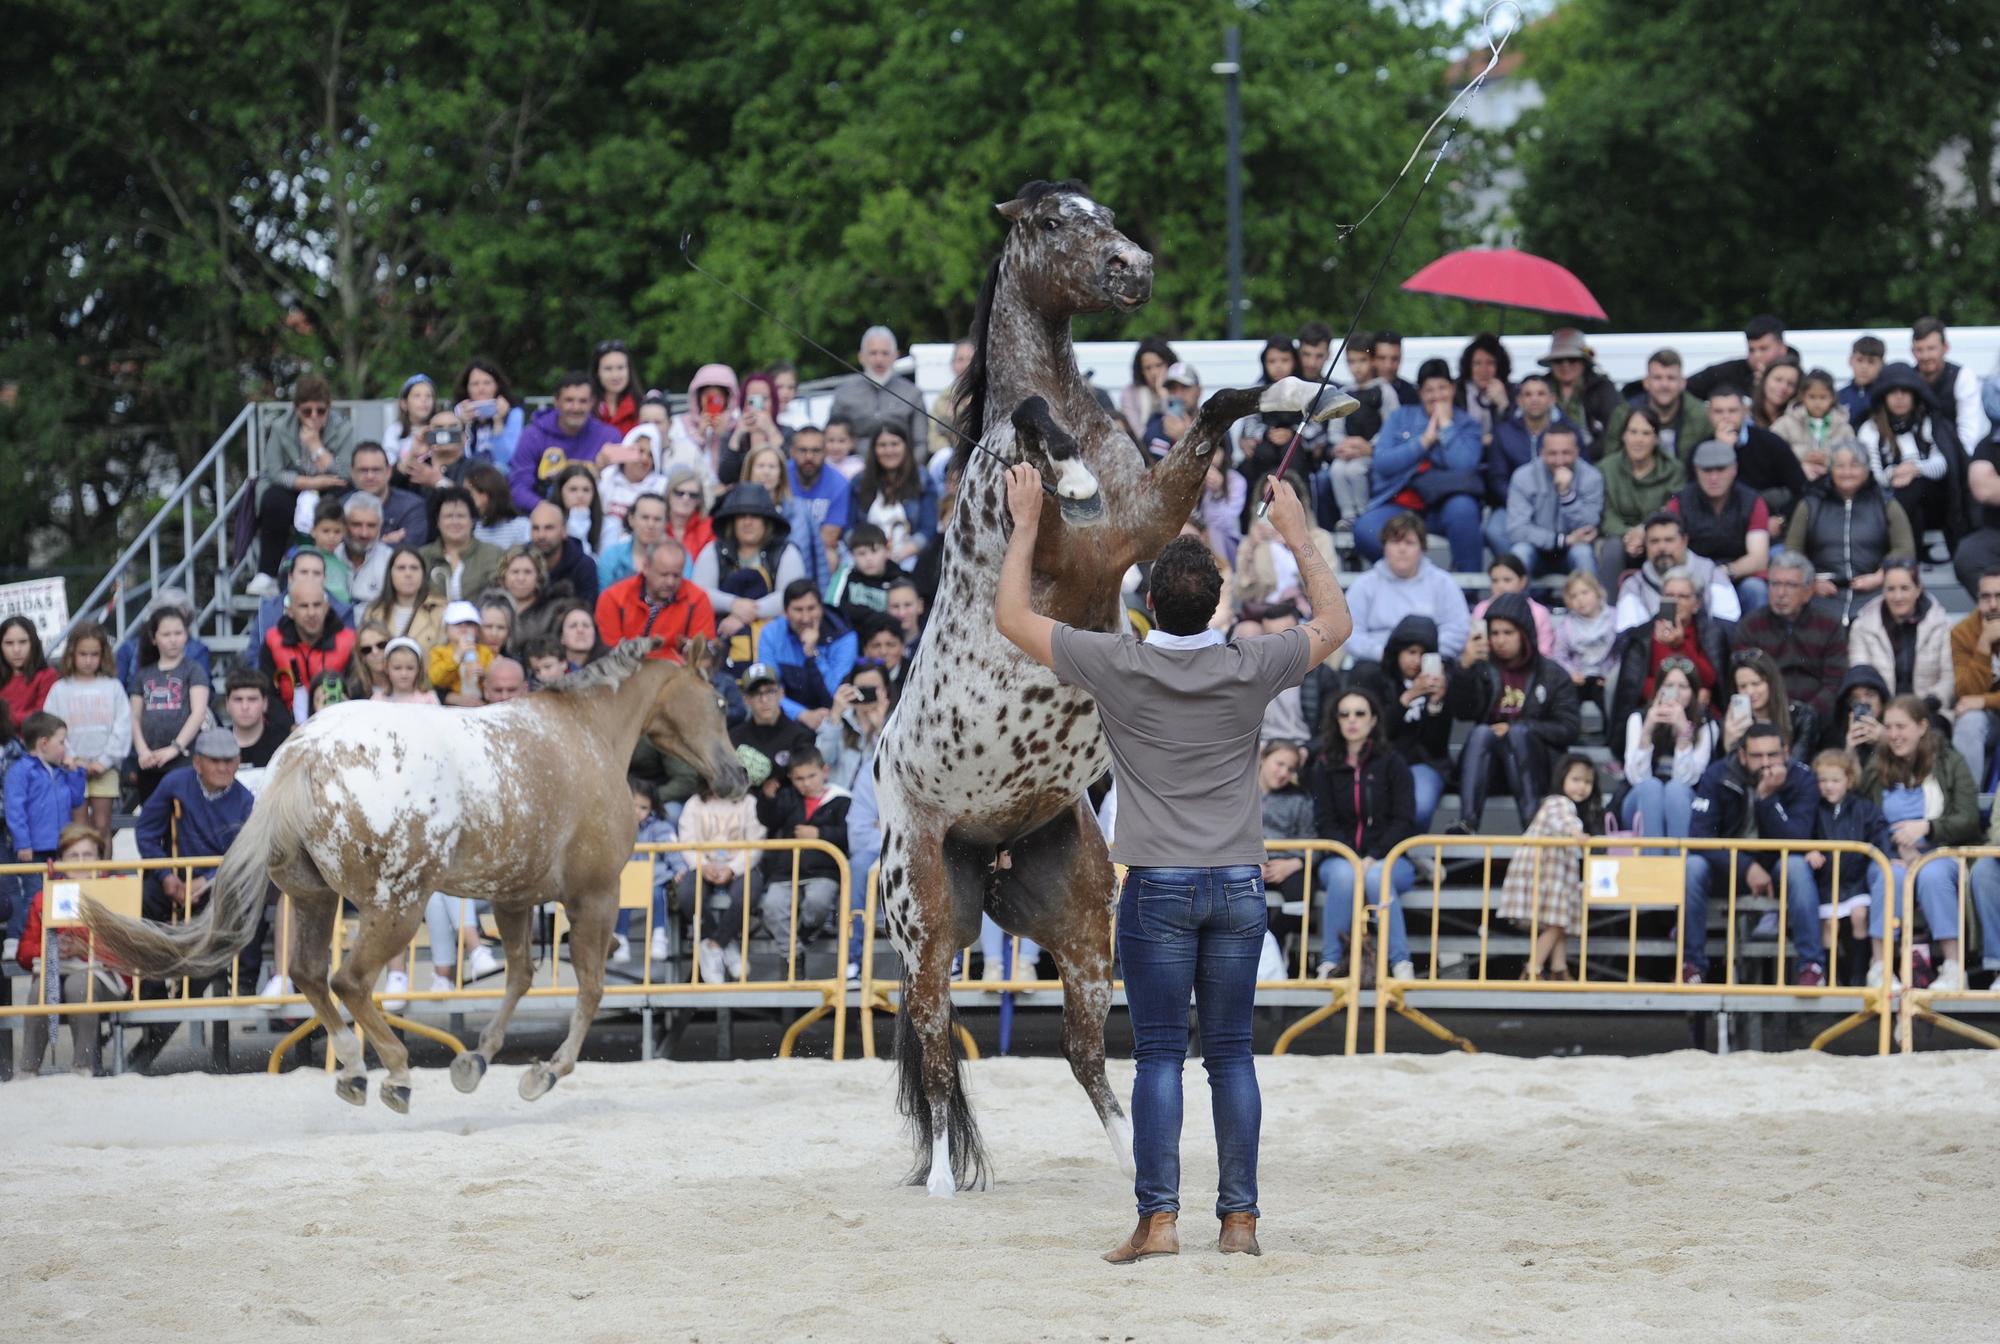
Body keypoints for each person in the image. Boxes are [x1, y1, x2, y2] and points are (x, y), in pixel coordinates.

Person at [994, 465, 1349, 1263]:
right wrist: (1295, 534)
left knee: (1159, 1054)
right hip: (1237, 884)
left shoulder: (1119, 661)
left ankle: (1159, 1222)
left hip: (1156, 884)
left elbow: (1011, 614)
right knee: (1230, 1056)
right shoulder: (1252, 664)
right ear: (1215, 602)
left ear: (1148, 603)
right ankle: (1240, 1222)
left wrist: (1025, 521)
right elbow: (1335, 621)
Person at [126, 726, 259, 1072]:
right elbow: (146, 831)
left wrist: (211, 881)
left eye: (230, 761)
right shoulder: (175, 783)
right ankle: (150, 986)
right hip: (174, 882)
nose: (224, 768)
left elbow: (244, 856)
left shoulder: (245, 800)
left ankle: (236, 982)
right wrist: (166, 875)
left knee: (220, 938)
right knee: (149, 891)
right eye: (215, 761)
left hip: (219, 889)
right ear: (197, 763)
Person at [1682, 723, 1824, 986]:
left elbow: (1798, 840)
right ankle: (1691, 964)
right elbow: (1699, 837)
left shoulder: (1801, 778)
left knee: (1796, 866)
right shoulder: (1717, 774)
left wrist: (1767, 798)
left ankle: (1812, 966)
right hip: (1728, 867)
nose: (1766, 763)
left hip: (1776, 866)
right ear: (1743, 756)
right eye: (1757, 756)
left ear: (1786, 752)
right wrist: (1745, 867)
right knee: (1693, 867)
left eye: (1773, 755)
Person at [1860, 695, 1978, 993]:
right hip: (1893, 855)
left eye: (1902, 726)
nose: (1894, 735)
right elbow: (1862, 817)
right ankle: (1881, 966)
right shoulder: (1876, 765)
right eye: (1888, 727)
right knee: (1891, 876)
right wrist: (1893, 847)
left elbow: (1968, 818)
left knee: (1932, 875)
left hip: (1942, 851)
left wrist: (1927, 828)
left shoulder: (1951, 762)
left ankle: (1953, 967)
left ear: (1922, 726)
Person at [1308, 687, 1418, 982]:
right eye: (1344, 714)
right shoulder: (1324, 765)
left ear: (1373, 721)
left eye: (1360, 713)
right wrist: (1352, 856)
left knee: (1374, 875)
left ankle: (1400, 963)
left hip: (1391, 859)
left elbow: (1404, 819)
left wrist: (1373, 855)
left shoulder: (1393, 762)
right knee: (1346, 874)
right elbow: (1325, 821)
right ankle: (1329, 963)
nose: (1352, 720)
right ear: (1336, 721)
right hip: (1340, 859)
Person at [1448, 591, 1581, 833]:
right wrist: (1464, 668)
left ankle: (1532, 823)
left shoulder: (1552, 674)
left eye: (1507, 633)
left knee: (1518, 734)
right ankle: (1468, 822)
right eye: (1495, 633)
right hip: (1489, 769)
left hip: (1536, 766)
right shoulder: (1482, 667)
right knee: (1480, 733)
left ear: (1524, 633)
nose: (1500, 640)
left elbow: (1569, 728)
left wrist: (1519, 728)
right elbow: (1462, 712)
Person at [1354, 358, 1485, 573]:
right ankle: (1422, 578)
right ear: (1420, 393)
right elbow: (1382, 462)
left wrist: (1447, 427)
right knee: (1365, 530)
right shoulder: (1401, 417)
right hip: (1401, 502)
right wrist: (1424, 441)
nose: (1436, 396)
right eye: (1429, 390)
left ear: (1452, 389)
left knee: (1464, 511)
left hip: (1445, 505)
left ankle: (1467, 593)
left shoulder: (1468, 424)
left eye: (1442, 388)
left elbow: (1465, 466)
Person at [16, 822, 125, 1076]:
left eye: (87, 854)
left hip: (105, 976)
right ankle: (28, 1069)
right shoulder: (45, 897)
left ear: (100, 857)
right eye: (73, 856)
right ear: (61, 860)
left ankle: (83, 1067)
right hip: (58, 971)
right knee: (41, 988)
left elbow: (125, 950)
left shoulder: (116, 890)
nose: (80, 862)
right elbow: (24, 953)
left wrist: (84, 947)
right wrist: (50, 948)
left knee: (79, 984)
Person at [1498, 753, 1604, 981]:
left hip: (1553, 874)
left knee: (1558, 921)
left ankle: (1558, 968)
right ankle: (1533, 968)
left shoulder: (1566, 806)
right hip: (1542, 872)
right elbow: (1563, 821)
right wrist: (1576, 832)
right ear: (1562, 778)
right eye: (1576, 779)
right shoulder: (1558, 802)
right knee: (1556, 923)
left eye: (1587, 782)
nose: (1582, 787)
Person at [1782, 441, 1912, 626]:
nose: (1847, 472)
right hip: (1820, 593)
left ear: (1867, 469)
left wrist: (1880, 576)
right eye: (1840, 466)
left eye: (1854, 465)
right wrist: (1810, 582)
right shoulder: (1810, 504)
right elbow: (1793, 551)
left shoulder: (1885, 503)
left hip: (1873, 592)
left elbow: (1904, 548)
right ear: (1830, 469)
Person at [1608, 566, 1728, 759]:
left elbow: (1711, 679)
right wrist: (1683, 694)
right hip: (1653, 712)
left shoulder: (1711, 634)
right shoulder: (1642, 636)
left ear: (1696, 603)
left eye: (1682, 596)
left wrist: (1681, 645)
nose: (1675, 601)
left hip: (1699, 716)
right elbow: (1634, 686)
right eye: (1669, 595)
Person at [250, 376, 355, 593]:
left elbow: (346, 473)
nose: (314, 417)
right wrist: (311, 482)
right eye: (307, 411)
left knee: (344, 499)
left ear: (329, 409)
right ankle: (267, 572)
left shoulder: (343, 429)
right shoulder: (281, 427)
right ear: (296, 409)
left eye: (320, 411)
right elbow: (275, 472)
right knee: (273, 501)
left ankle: (338, 567)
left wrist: (316, 447)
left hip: (330, 486)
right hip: (294, 485)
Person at [1856, 361, 1966, 559]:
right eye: (1893, 392)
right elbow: (1872, 473)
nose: (1900, 398)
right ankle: (1909, 560)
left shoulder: (1928, 422)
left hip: (1933, 500)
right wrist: (1893, 474)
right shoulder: (1870, 429)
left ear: (1914, 395)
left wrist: (1915, 469)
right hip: (1887, 501)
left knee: (1913, 487)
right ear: (1884, 396)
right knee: (1910, 502)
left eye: (1905, 392)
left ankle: (1904, 560)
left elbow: (1944, 464)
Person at [755, 745, 853, 963]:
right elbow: (768, 820)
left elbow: (850, 835)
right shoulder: (787, 798)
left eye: (812, 776)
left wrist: (820, 833)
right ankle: (794, 955)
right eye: (799, 778)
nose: (807, 783)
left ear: (824, 771)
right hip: (785, 872)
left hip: (824, 871)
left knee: (818, 902)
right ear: (790, 777)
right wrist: (768, 799)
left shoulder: (842, 800)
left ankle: (802, 937)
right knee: (771, 906)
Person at [682, 744, 769, 984]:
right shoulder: (694, 804)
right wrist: (702, 865)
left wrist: (733, 868)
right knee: (688, 894)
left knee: (746, 894)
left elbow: (756, 842)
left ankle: (713, 944)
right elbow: (687, 841)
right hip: (704, 864)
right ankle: (723, 943)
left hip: (740, 864)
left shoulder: (749, 803)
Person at [695, 483, 807, 668]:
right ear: (732, 521)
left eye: (754, 516)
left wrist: (745, 613)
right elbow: (699, 592)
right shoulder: (714, 550)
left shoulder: (786, 552)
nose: (748, 522)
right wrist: (732, 604)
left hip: (775, 641)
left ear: (766, 521)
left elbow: (793, 595)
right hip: (721, 639)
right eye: (741, 516)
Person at [1356, 616, 1450, 832]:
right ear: (1397, 651)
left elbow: (1438, 746)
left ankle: (1408, 855)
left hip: (1423, 764)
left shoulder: (1442, 684)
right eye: (1411, 652)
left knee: (1420, 807)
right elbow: (1375, 732)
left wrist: (1436, 705)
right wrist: (1408, 697)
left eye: (1423, 654)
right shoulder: (1375, 679)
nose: (1416, 661)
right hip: (1380, 761)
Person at [1339, 512, 1469, 666]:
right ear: (1384, 547)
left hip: (1430, 663)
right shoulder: (1364, 585)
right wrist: (1388, 655)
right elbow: (1350, 634)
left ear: (1422, 548)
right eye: (1395, 542)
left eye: (1409, 543)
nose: (1402, 549)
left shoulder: (1443, 583)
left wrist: (1422, 655)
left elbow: (1458, 630)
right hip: (1378, 664)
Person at [1808, 749, 1891, 985]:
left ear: (1849, 780)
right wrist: (1809, 850)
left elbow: (1879, 831)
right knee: (1829, 925)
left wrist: (1888, 854)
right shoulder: (1814, 809)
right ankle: (1834, 976)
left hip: (1855, 880)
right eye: (1823, 780)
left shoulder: (1862, 808)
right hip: (1826, 881)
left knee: (1859, 915)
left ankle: (1858, 974)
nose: (1828, 786)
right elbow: (1806, 834)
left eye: (1835, 780)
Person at [1733, 552, 1848, 722]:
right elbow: (1743, 678)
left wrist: (1808, 713)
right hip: (1766, 716)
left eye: (1791, 585)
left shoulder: (1829, 625)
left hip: (1818, 718)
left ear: (1808, 591)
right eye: (1775, 584)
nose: (1781, 593)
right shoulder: (1751, 625)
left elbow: (1834, 683)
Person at [41, 622, 128, 837]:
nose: (88, 660)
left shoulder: (113, 687)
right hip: (70, 768)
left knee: (102, 825)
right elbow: (51, 726)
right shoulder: (60, 689)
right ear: (72, 653)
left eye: (94, 654)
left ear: (103, 655)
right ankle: (78, 871)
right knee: (78, 827)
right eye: (83, 654)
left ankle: (104, 872)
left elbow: (123, 727)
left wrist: (104, 761)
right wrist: (69, 758)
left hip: (104, 769)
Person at [1668, 440, 1771, 612]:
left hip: (1738, 575)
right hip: (1692, 576)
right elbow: (1672, 550)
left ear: (1734, 469)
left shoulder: (1752, 501)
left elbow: (1759, 559)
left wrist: (1726, 572)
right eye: (1707, 470)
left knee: (1756, 589)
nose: (1714, 478)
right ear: (1696, 470)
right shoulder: (1680, 502)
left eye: (1721, 469)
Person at [1619, 661, 1716, 840]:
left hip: (1684, 802)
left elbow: (1687, 780)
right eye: (1669, 686)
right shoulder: (1638, 719)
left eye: (1683, 686)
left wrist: (1683, 733)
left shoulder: (1705, 724)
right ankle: (1654, 864)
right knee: (1651, 787)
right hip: (1639, 802)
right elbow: (1636, 779)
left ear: (1694, 692)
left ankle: (1679, 864)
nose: (1676, 693)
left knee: (1676, 790)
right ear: (1658, 690)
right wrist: (1647, 731)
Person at [1494, 422, 1602, 578]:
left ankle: (1591, 603)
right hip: (1536, 550)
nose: (1559, 460)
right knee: (1520, 552)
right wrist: (1562, 540)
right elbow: (1517, 530)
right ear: (1542, 453)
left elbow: (1589, 526)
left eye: (1566, 453)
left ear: (1577, 452)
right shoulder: (1523, 477)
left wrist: (1567, 495)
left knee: (1583, 553)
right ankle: (1514, 603)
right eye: (1552, 453)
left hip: (1573, 551)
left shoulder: (1591, 477)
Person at [128, 604, 212, 806]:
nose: (173, 639)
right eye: (166, 634)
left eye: (178, 633)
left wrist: (174, 749)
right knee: (153, 820)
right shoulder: (143, 674)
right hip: (149, 763)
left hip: (184, 762)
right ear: (154, 638)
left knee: (184, 822)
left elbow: (199, 713)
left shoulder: (194, 669)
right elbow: (133, 716)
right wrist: (143, 752)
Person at [1595, 405, 1687, 588]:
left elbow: (1671, 510)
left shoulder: (1674, 470)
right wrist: (1628, 535)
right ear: (1624, 436)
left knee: (1666, 545)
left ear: (1656, 438)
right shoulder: (1606, 468)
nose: (1638, 439)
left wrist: (1645, 532)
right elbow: (1607, 512)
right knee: (1612, 549)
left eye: (1646, 433)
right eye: (1633, 432)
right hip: (1619, 536)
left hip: (1657, 533)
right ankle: (1610, 611)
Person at [1847, 557, 1952, 716]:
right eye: (1891, 589)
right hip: (1880, 712)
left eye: (1904, 588)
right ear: (1883, 591)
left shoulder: (1941, 624)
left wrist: (1925, 706)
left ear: (1918, 589)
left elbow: (1949, 677)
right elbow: (1861, 677)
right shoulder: (1862, 626)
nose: (1898, 597)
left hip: (1929, 711)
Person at [508, 370, 621, 513]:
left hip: (596, 516)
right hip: (544, 515)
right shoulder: (533, 435)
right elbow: (519, 487)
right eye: (569, 400)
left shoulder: (609, 437)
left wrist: (604, 471)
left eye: (583, 401)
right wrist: (547, 511)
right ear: (556, 402)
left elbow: (622, 485)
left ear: (592, 403)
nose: (576, 407)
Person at [595, 537, 718, 662]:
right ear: (646, 567)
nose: (670, 582)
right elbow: (609, 654)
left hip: (678, 675)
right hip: (625, 672)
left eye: (676, 575)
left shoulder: (697, 599)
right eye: (663, 574)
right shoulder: (613, 598)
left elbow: (703, 658)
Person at [756, 579, 857, 730]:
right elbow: (766, 690)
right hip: (785, 718)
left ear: (821, 608)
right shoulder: (771, 633)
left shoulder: (844, 638)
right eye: (798, 609)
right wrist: (802, 714)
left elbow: (834, 693)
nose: (805, 618)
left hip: (833, 718)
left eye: (811, 608)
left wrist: (813, 653)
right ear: (785, 612)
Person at [1614, 512, 1741, 630]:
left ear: (1684, 541)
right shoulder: (1634, 586)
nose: (1662, 547)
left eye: (1669, 540)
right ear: (1646, 544)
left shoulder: (1711, 573)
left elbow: (1728, 626)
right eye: (1654, 541)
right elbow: (1627, 636)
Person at [257, 574, 354, 723]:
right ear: (290, 610)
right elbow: (268, 695)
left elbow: (357, 691)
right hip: (287, 730)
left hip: (339, 724)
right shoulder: (272, 641)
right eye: (303, 606)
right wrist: (291, 729)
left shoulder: (349, 641)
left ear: (327, 607)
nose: (311, 613)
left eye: (317, 605)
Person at [1704, 387, 1808, 525]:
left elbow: (1801, 488)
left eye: (1732, 411)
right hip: (1720, 526)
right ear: (1709, 414)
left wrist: (1781, 519)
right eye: (1719, 412)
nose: (1726, 417)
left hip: (1770, 523)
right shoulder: (1701, 449)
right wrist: (1723, 450)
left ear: (1744, 411)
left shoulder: (1770, 442)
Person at [828, 325, 926, 460]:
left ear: (896, 356)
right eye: (873, 353)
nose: (879, 360)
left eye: (885, 353)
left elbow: (920, 443)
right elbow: (831, 439)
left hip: (903, 469)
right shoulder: (843, 394)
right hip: (855, 468)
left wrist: (909, 471)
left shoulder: (913, 394)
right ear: (861, 357)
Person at [850, 424, 939, 571]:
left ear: (906, 446)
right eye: (882, 445)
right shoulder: (859, 482)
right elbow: (850, 528)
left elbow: (928, 530)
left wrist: (895, 556)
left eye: (895, 444)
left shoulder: (922, 479)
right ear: (874, 449)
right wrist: (869, 555)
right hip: (865, 558)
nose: (889, 450)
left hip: (910, 557)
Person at [1606, 348, 1712, 464]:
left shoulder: (1700, 416)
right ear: (1646, 382)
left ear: (1682, 383)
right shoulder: (1624, 414)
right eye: (1657, 378)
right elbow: (1611, 460)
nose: (1664, 385)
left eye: (1671, 378)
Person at [1948, 568, 2000, 785]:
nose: (1993, 604)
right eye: (1986, 597)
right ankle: (1969, 804)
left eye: (1999, 596)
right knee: (1968, 723)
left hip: (1988, 704)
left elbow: (1976, 699)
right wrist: (1984, 644)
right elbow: (1966, 693)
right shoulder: (1962, 632)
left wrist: (1984, 700)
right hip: (1987, 718)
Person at [1537, 328, 1620, 456]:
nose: (1565, 365)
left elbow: (1615, 429)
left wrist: (1585, 455)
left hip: (1594, 461)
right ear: (1551, 364)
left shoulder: (1602, 388)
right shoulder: (1539, 388)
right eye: (1558, 360)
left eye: (1572, 359)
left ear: (1584, 362)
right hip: (1547, 457)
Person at [787, 425, 853, 581]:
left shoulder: (839, 483)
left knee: (830, 557)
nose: (809, 457)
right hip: (784, 543)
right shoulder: (781, 475)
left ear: (825, 452)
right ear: (793, 452)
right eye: (803, 450)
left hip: (820, 546)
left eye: (816, 451)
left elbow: (829, 537)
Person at [419, 485, 505, 604]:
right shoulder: (423, 556)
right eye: (448, 516)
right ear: (438, 522)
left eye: (461, 516)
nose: (455, 522)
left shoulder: (493, 554)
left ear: (472, 520)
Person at [1910, 317, 1984, 451]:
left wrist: (1947, 463)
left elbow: (1969, 434)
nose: (1925, 356)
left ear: (1945, 348)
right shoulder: (1907, 379)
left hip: (1956, 458)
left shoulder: (1963, 377)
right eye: (1919, 350)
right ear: (1912, 351)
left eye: (1931, 348)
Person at [817, 662, 891, 791]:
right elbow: (822, 760)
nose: (866, 695)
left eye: (872, 689)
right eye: (861, 690)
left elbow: (890, 770)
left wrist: (880, 730)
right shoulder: (839, 721)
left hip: (871, 806)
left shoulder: (895, 725)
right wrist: (834, 716)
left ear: (885, 690)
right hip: (837, 802)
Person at [1686, 314, 1794, 403]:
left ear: (1782, 348)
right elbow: (1685, 389)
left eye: (1763, 349)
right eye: (1751, 350)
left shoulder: (1798, 379)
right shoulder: (1729, 373)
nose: (1757, 356)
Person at [1723, 648, 1808, 760]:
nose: (1750, 692)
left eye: (1756, 684)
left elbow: (1797, 764)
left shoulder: (1800, 716)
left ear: (1771, 683)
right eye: (1743, 686)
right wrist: (1730, 745)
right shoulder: (1732, 724)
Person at [361, 545, 448, 654]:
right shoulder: (374, 612)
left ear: (423, 573)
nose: (408, 574)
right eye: (401, 568)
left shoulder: (441, 611)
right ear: (390, 573)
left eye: (414, 568)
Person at [730, 662, 817, 770]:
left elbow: (806, 779)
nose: (764, 700)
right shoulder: (735, 738)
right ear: (746, 699)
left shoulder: (800, 736)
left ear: (781, 693)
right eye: (756, 693)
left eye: (770, 691)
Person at [1550, 570, 1617, 710]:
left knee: (1610, 701)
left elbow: (1622, 652)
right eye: (1573, 596)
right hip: (1578, 678)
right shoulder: (1566, 626)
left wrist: (1612, 676)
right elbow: (1558, 655)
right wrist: (1570, 673)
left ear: (1598, 591)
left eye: (1585, 592)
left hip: (1605, 677)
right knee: (1566, 702)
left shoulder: (1615, 618)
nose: (1580, 599)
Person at [219, 667, 289, 792]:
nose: (245, 707)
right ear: (227, 704)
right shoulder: (214, 745)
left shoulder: (284, 745)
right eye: (238, 699)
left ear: (265, 703)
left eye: (252, 699)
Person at [346, 440, 428, 547]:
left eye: (376, 470)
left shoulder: (412, 507)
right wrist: (382, 544)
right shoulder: (340, 507)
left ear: (389, 471)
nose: (370, 476)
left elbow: (410, 551)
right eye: (363, 470)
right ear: (352, 472)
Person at [1773, 370, 1852, 479]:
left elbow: (1853, 454)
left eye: (1823, 397)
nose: (1817, 402)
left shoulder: (1844, 427)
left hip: (1834, 481)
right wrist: (1804, 456)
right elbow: (1773, 449)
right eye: (1812, 397)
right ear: (1803, 397)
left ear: (1832, 398)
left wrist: (1828, 459)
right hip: (1794, 478)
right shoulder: (1786, 423)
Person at [1470, 555, 1554, 656]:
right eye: (1494, 581)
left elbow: (1544, 652)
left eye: (1507, 580)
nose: (1500, 586)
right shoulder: (1481, 609)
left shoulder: (1539, 612)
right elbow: (1477, 649)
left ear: (1522, 581)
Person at [451, 358, 523, 468]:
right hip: (466, 474)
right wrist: (459, 424)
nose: (481, 388)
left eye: (487, 383)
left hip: (499, 476)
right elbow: (451, 458)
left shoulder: (513, 413)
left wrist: (498, 423)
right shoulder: (458, 413)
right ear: (467, 388)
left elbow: (505, 458)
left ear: (497, 385)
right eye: (475, 384)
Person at [529, 498, 600, 608]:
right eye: (535, 528)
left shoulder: (584, 566)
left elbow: (587, 611)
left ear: (564, 531)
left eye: (549, 528)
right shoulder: (520, 561)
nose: (541, 535)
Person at [597, 490, 668, 591]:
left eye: (657, 519)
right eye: (645, 517)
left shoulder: (679, 559)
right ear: (631, 519)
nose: (651, 525)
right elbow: (603, 598)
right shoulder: (611, 556)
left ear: (666, 523)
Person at [427, 602, 495, 707]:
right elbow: (437, 680)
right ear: (446, 629)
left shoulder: (485, 652)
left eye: (469, 623)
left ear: (477, 629)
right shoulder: (438, 651)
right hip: (450, 708)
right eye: (457, 624)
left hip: (480, 704)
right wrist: (457, 657)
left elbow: (495, 681)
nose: (463, 628)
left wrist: (484, 676)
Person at [0, 615, 58, 730]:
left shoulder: (47, 675)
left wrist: (5, 718)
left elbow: (42, 718)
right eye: (9, 643)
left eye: (23, 642)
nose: (16, 650)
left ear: (33, 643)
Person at [334, 491, 392, 605]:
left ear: (380, 526)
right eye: (356, 524)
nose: (364, 533)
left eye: (371, 526)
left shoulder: (390, 561)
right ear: (344, 525)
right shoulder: (330, 556)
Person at [1120, 337, 1179, 443]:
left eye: (1158, 365)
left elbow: (1179, 426)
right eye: (1148, 368)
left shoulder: (1181, 389)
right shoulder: (1131, 393)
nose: (1154, 373)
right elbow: (1138, 434)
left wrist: (1165, 398)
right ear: (1141, 370)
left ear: (1169, 364)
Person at [466, 462, 531, 549]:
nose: (463, 497)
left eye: (468, 492)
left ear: (485, 494)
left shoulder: (522, 526)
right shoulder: (471, 527)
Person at [590, 339, 641, 436]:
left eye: (620, 368)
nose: (615, 375)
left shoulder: (641, 407)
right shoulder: (586, 407)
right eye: (608, 369)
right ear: (597, 372)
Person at [382, 373, 434, 467]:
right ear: (404, 403)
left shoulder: (440, 428)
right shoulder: (395, 430)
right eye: (417, 396)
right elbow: (389, 465)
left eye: (428, 396)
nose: (424, 400)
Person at [1839, 335, 1885, 423]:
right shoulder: (1839, 397)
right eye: (1860, 360)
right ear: (1850, 361)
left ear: (1882, 364)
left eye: (1871, 362)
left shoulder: (1884, 396)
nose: (1864, 367)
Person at [1752, 356, 1802, 430]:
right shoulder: (1745, 415)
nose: (1783, 387)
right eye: (1778, 380)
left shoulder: (1799, 419)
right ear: (1765, 379)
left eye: (1791, 384)